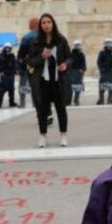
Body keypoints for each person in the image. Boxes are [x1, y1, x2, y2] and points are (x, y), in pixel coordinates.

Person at [28, 13, 71, 148]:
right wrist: (41, 56)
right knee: (43, 110)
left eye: (49, 22)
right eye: (43, 23)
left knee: (61, 109)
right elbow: (30, 61)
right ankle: (42, 136)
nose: (46, 25)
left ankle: (63, 136)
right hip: (43, 81)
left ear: (53, 24)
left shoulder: (61, 40)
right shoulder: (36, 42)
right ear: (40, 26)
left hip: (59, 80)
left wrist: (66, 64)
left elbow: (70, 57)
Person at [18, 18, 40, 109]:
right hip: (41, 66)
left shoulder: (26, 37)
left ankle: (23, 102)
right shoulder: (44, 36)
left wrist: (21, 67)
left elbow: (21, 55)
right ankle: (38, 104)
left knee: (24, 85)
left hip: (28, 66)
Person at [0, 43, 19, 108]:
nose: (8, 49)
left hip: (11, 75)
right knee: (2, 89)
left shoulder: (12, 56)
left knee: (11, 89)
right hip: (4, 75)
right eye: (6, 47)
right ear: (4, 48)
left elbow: (15, 64)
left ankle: (12, 102)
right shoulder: (0, 56)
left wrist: (16, 71)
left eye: (9, 48)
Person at [97, 38, 112, 105]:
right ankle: (101, 99)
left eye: (110, 43)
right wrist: (101, 69)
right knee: (102, 86)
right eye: (107, 43)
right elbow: (99, 62)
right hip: (104, 72)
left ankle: (110, 99)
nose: (109, 44)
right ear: (105, 44)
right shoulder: (102, 52)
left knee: (111, 86)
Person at [69, 40, 87, 105]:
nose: (78, 47)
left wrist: (83, 69)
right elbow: (68, 63)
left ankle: (76, 100)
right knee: (70, 87)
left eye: (79, 45)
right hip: (71, 72)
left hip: (79, 73)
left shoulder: (82, 55)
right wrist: (69, 70)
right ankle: (69, 100)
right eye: (77, 45)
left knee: (78, 87)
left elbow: (84, 63)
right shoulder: (70, 54)